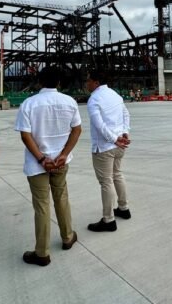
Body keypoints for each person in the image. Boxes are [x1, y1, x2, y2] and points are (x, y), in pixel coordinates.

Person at [14, 66, 81, 267]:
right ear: (59, 83)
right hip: (61, 162)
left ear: (40, 81)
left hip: (37, 165)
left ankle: (42, 252)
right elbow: (77, 130)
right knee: (61, 198)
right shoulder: (69, 102)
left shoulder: (29, 103)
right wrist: (63, 154)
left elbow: (25, 135)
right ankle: (68, 236)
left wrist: (42, 159)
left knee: (42, 205)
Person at [84, 69, 131, 232]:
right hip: (119, 145)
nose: (86, 83)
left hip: (104, 147)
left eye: (88, 80)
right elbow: (126, 113)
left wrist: (113, 139)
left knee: (106, 182)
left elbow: (99, 125)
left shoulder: (94, 100)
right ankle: (124, 209)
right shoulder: (115, 95)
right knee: (117, 174)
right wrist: (124, 132)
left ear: (96, 82)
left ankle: (109, 219)